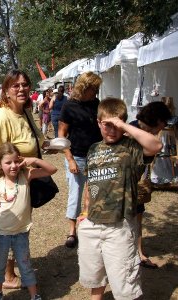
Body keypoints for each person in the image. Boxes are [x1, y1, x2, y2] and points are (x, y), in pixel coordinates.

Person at [77, 98, 162, 300]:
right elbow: (90, 184)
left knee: (125, 286)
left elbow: (156, 145)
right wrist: (85, 211)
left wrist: (123, 126)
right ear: (98, 122)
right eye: (107, 125)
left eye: (117, 125)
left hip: (120, 226)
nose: (112, 130)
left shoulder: (132, 147)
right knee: (95, 279)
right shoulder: (93, 149)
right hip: (93, 224)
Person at [0, 69, 47, 289]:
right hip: (8, 184)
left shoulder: (25, 111)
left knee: (18, 221)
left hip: (23, 182)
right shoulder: (1, 116)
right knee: (8, 224)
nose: (22, 89)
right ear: (6, 91)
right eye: (16, 86)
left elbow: (36, 139)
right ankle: (8, 275)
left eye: (25, 84)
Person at [0, 142, 57, 300]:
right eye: (8, 162)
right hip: (1, 234)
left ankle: (34, 296)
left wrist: (34, 160)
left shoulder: (27, 175)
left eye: (16, 161)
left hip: (21, 233)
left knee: (25, 265)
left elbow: (52, 170)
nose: (13, 166)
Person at [58, 72, 102, 248]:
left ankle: (91, 226)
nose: (97, 92)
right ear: (84, 87)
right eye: (94, 88)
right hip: (77, 156)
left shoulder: (96, 103)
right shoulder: (69, 106)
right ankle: (72, 231)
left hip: (97, 155)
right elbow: (61, 135)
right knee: (75, 194)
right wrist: (70, 159)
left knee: (96, 192)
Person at [130, 101, 172, 268]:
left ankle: (139, 252)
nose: (162, 128)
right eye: (162, 124)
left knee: (138, 217)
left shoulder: (145, 133)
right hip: (124, 186)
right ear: (156, 119)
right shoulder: (131, 130)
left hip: (138, 184)